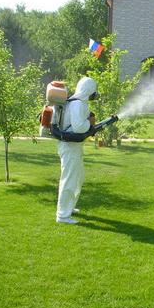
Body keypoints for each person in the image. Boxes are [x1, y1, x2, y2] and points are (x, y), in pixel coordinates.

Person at [56, 77, 98, 224]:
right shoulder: (78, 104)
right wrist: (90, 123)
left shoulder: (78, 102)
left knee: (78, 179)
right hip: (70, 147)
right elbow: (79, 127)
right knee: (69, 180)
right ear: (89, 90)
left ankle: (69, 207)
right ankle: (62, 216)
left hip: (74, 146)